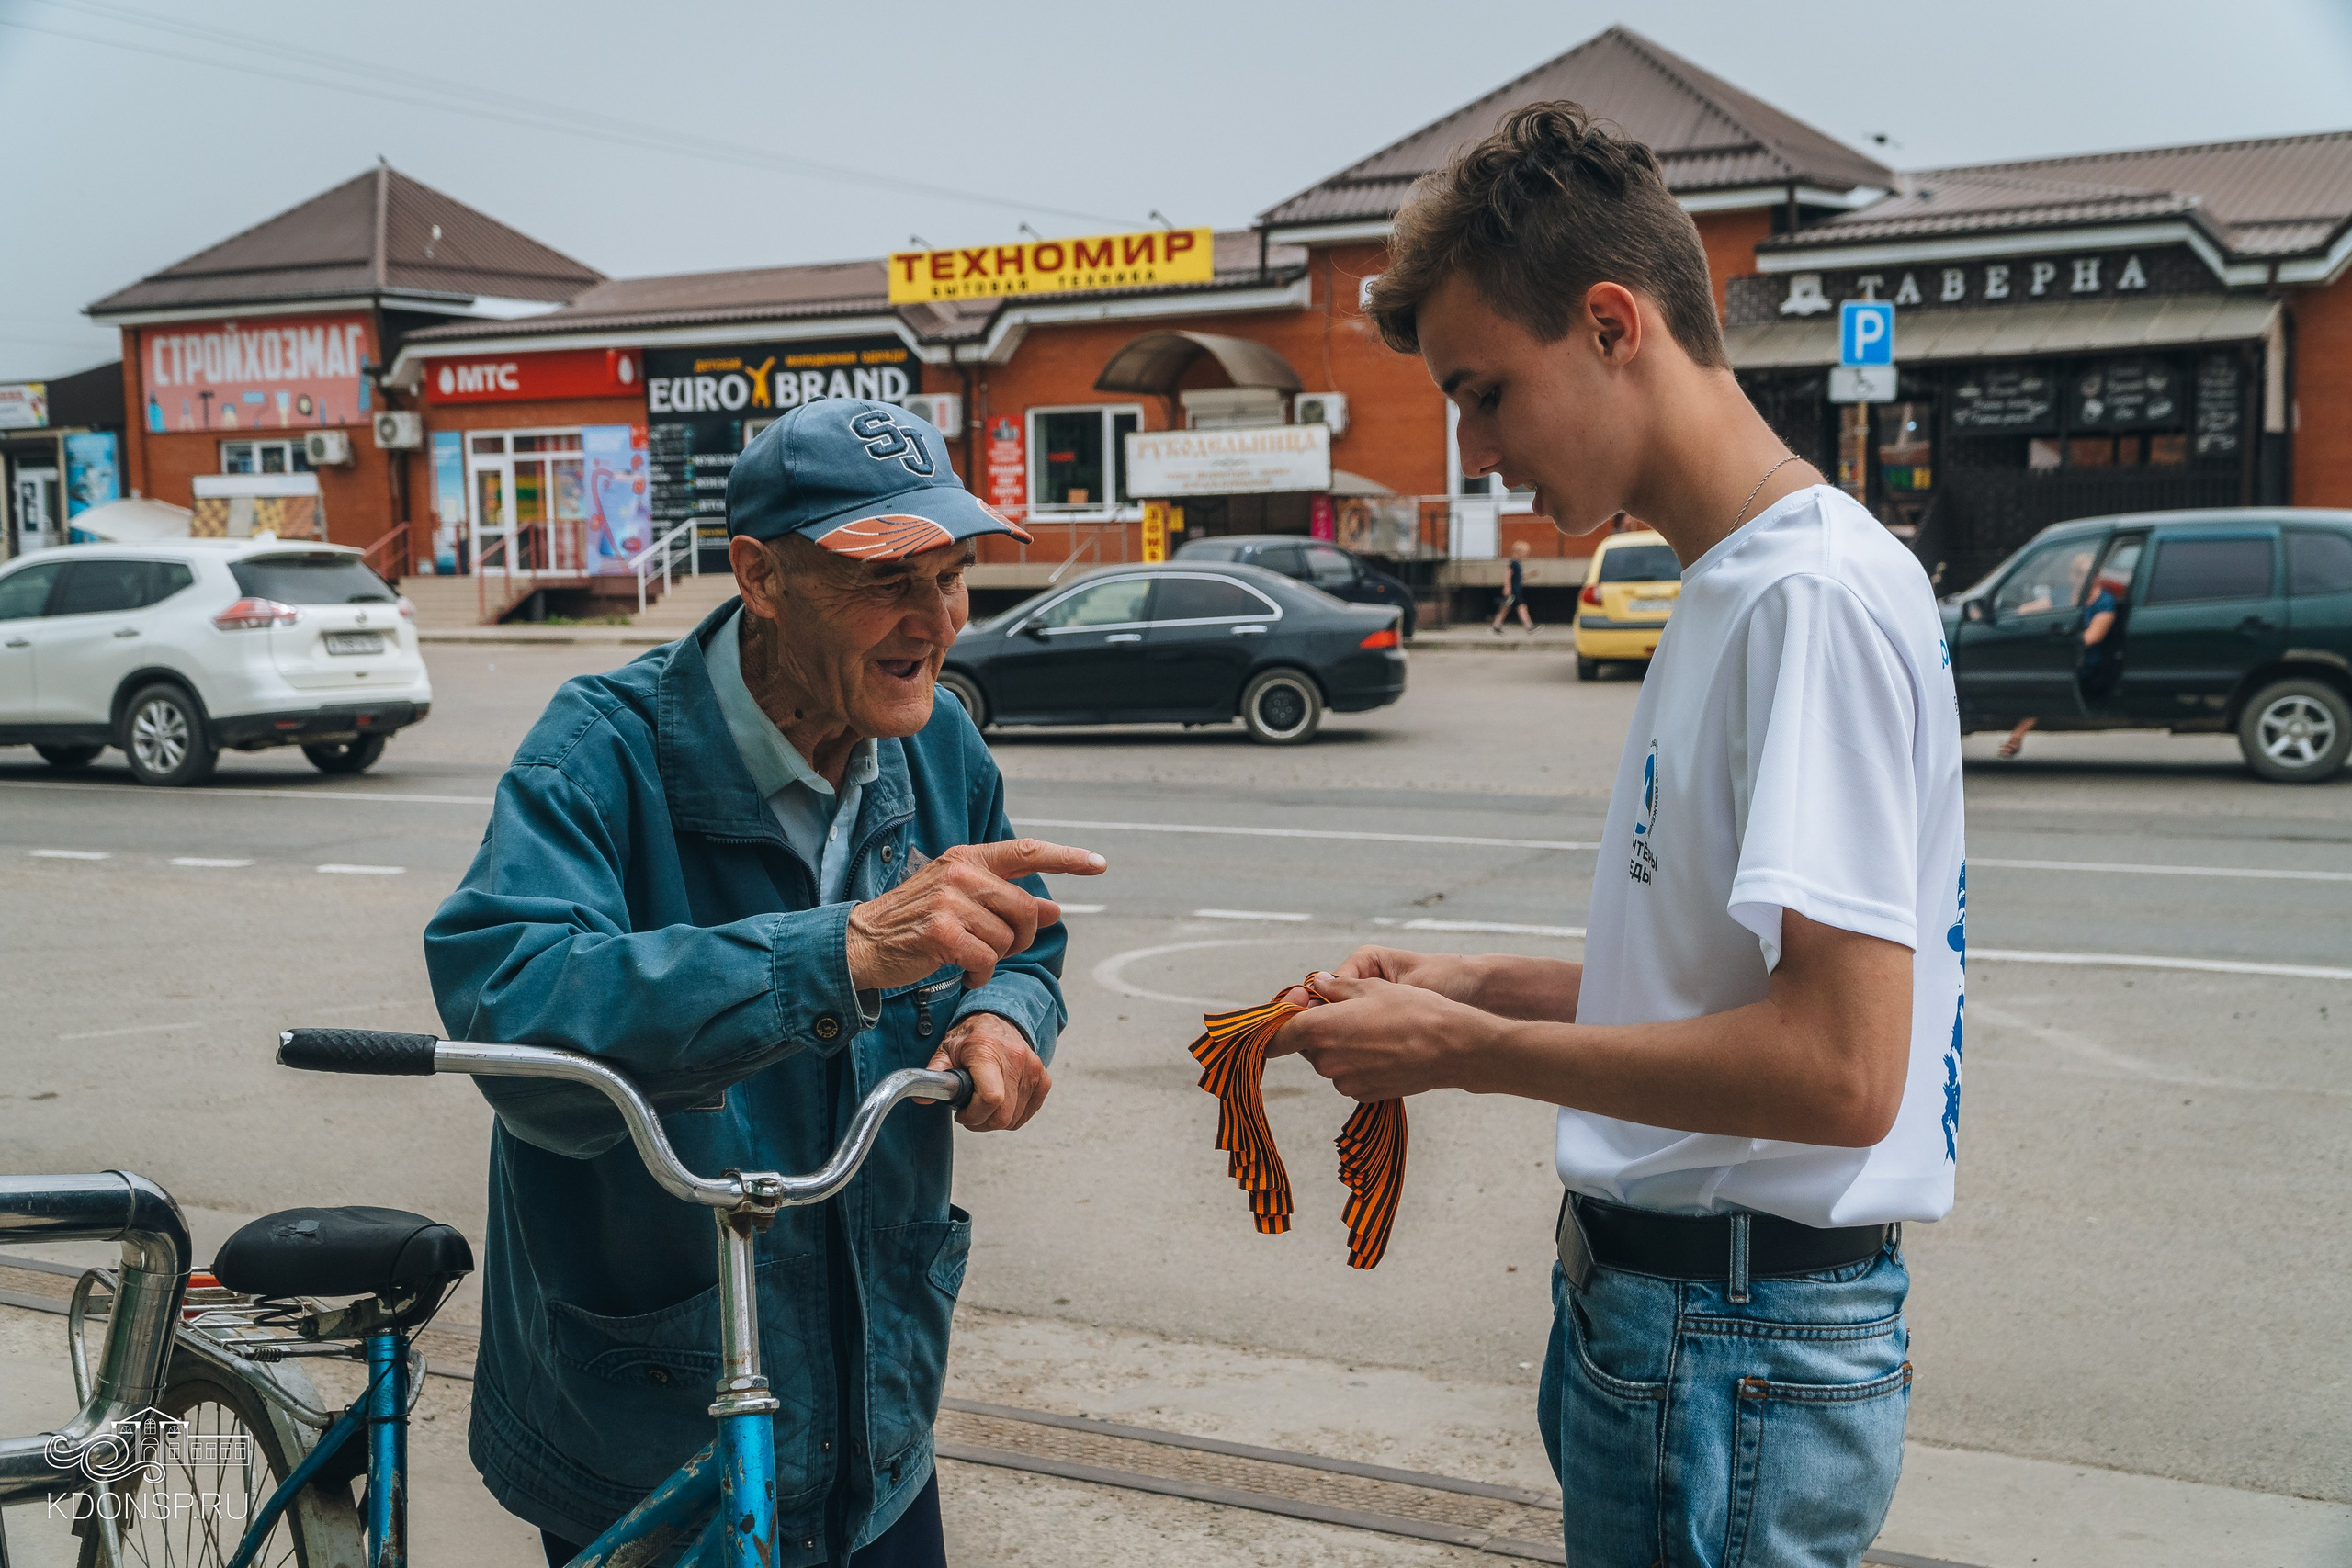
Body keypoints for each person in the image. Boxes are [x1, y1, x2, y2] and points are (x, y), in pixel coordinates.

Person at [1277, 104, 1966, 1565]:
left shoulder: (1807, 600)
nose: (1477, 449)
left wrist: (1466, 1052)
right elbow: (1721, 996)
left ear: (1610, 324)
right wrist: (1475, 982)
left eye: (1484, 392)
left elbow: (1840, 1070)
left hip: (1733, 1335)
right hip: (1685, 1323)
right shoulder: (1730, 583)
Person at [424, 399, 1106, 1566]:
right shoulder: (601, 750)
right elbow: (511, 1002)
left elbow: (1022, 935)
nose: (932, 622)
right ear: (759, 574)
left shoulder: (941, 742)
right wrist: (834, 953)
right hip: (656, 1411)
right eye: (886, 578)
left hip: (877, 1414)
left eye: (951, 577)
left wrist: (1003, 1010)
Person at [1999, 552, 2123, 758]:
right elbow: (2034, 609)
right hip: (2055, 657)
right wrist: (2007, 616)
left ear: (2098, 575)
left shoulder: (2104, 602)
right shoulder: (2062, 593)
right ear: (2072, 576)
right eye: (2080, 573)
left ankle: (2017, 736)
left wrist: (2058, 640)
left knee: (2045, 682)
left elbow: (2093, 637)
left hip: (2083, 663)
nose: (2086, 577)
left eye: (2091, 573)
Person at [1490, 538, 1536, 634]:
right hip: (1513, 590)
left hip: (1516, 590)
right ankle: (1529, 626)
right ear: (1519, 552)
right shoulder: (1513, 563)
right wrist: (1507, 588)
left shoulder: (1518, 563)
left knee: (1506, 607)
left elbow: (1520, 575)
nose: (1526, 555)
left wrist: (1530, 574)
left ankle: (1496, 625)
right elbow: (1507, 576)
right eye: (1524, 553)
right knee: (1521, 607)